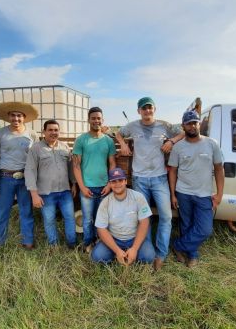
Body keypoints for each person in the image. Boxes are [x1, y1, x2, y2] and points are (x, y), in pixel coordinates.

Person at [116, 97, 184, 270]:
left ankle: (161, 254)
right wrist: (123, 144)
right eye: (143, 108)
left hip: (159, 178)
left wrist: (171, 141)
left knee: (166, 216)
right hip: (139, 179)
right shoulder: (132, 126)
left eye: (150, 108)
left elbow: (182, 132)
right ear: (139, 111)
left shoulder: (164, 126)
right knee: (143, 217)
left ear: (155, 109)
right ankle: (147, 251)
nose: (147, 111)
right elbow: (118, 133)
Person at [168, 110, 225, 267]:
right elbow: (172, 171)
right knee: (186, 224)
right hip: (183, 193)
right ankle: (192, 255)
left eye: (195, 122)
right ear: (183, 126)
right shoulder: (178, 147)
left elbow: (219, 169)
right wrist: (173, 194)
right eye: (189, 123)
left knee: (205, 229)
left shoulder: (211, 144)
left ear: (200, 124)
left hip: (204, 194)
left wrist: (220, 194)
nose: (192, 126)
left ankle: (177, 245)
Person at [0, 102, 39, 248]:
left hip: (25, 178)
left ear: (24, 118)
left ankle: (28, 241)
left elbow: (35, 156)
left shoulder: (32, 134)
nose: (16, 119)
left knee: (26, 210)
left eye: (19, 116)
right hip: (5, 177)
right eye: (13, 115)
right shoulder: (0, 134)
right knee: (2, 212)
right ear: (8, 117)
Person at [25, 120, 77, 248]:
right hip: (46, 192)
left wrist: (74, 184)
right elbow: (30, 171)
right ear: (44, 132)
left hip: (65, 191)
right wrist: (34, 194)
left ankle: (72, 244)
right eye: (50, 130)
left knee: (70, 218)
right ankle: (54, 245)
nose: (53, 132)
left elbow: (70, 167)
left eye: (56, 130)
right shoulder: (36, 148)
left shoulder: (64, 147)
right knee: (49, 220)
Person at [73, 106, 116, 252]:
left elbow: (112, 163)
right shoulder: (81, 140)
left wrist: (110, 184)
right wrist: (82, 187)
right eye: (93, 118)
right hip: (87, 187)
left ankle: (100, 241)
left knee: (102, 218)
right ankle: (87, 243)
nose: (96, 121)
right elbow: (76, 166)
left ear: (102, 120)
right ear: (88, 120)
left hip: (104, 187)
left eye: (98, 118)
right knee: (87, 219)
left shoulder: (108, 141)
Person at [91, 168, 155, 265]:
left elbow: (144, 222)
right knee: (97, 256)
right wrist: (116, 250)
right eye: (113, 181)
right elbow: (101, 229)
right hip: (115, 239)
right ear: (110, 184)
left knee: (149, 256)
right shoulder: (105, 203)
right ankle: (119, 254)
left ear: (125, 181)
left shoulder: (138, 197)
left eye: (120, 180)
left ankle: (131, 253)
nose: (117, 184)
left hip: (134, 237)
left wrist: (134, 248)